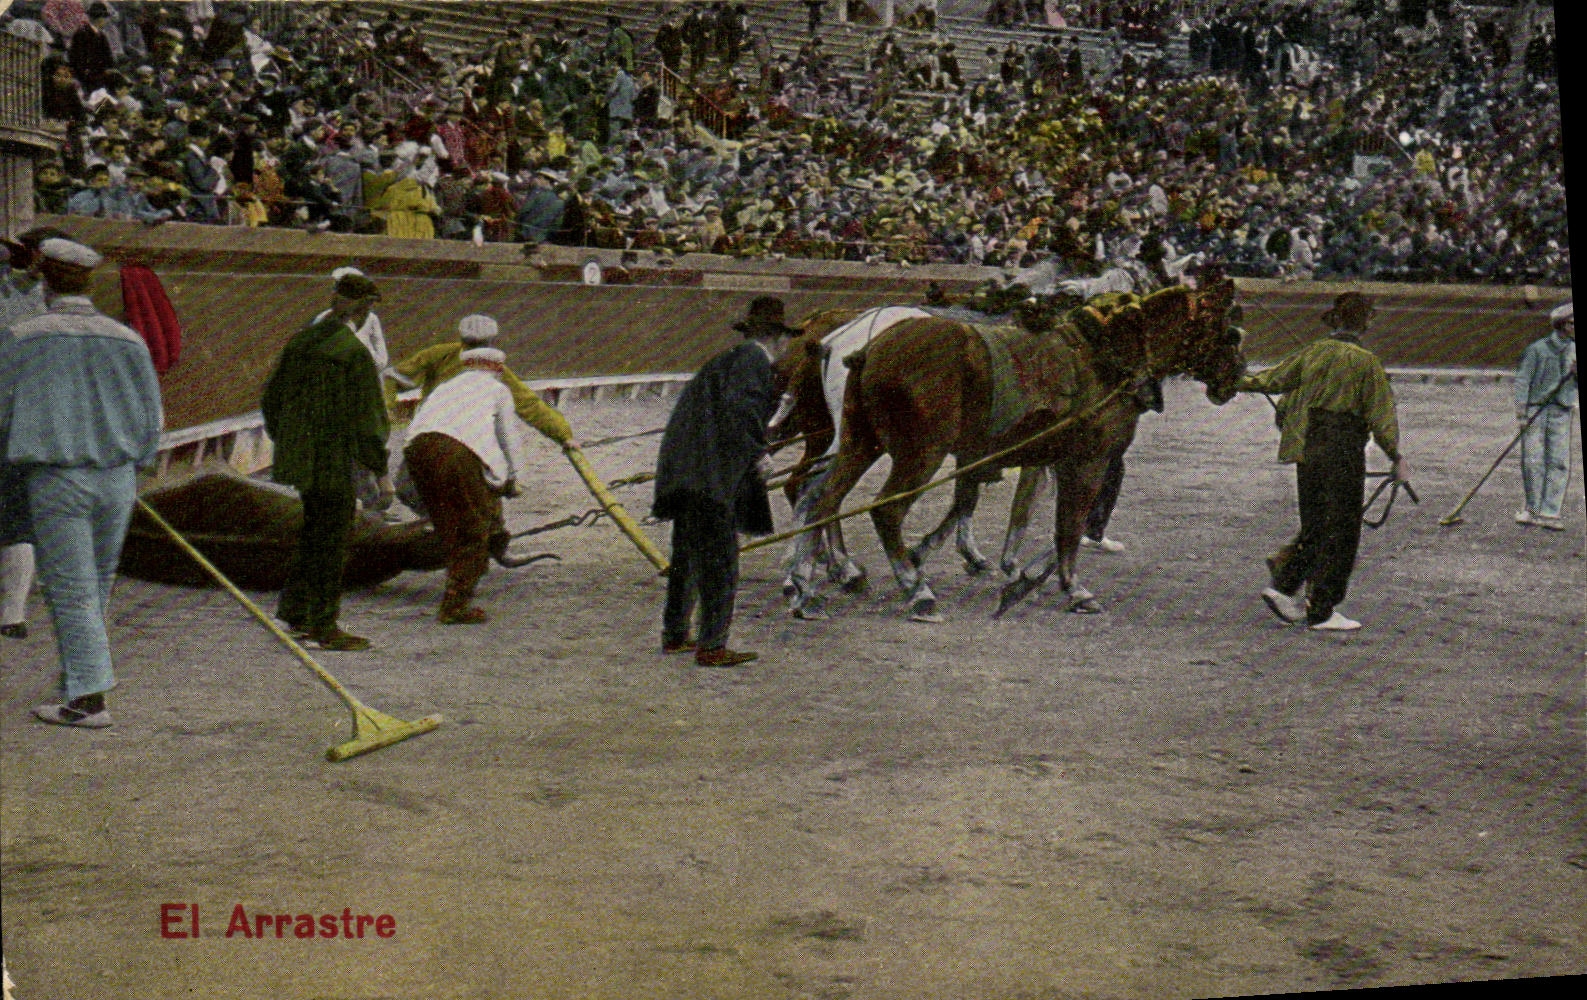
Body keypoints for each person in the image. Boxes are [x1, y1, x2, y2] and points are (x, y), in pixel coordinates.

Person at [1, 238, 163, 727]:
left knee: (71, 591)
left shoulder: (24, 335)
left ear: (45, 280)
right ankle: (81, 679)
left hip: (58, 476)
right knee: (96, 584)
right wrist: (138, 462)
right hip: (118, 477)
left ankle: (87, 700)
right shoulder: (127, 338)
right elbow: (152, 417)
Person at [1240, 291, 1406, 632]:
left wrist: (1231, 380)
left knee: (1316, 523)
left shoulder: (1313, 352)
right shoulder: (1366, 362)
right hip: (1344, 446)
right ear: (1366, 322)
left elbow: (1269, 380)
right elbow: (1382, 418)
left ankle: (1284, 588)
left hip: (1308, 443)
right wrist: (1397, 457)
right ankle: (1322, 610)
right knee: (1343, 528)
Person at [653, 296, 797, 667]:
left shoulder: (727, 361)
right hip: (713, 479)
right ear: (778, 338)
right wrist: (758, 454)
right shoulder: (753, 361)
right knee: (720, 560)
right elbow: (741, 408)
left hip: (688, 472)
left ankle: (675, 635)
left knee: (687, 556)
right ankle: (713, 645)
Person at [260, 272, 392, 651]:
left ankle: (295, 611)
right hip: (334, 459)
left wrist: (288, 442)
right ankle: (323, 625)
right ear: (366, 308)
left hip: (300, 456)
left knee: (314, 531)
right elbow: (369, 423)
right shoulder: (355, 353)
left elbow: (271, 400)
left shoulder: (300, 342)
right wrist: (379, 474)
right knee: (333, 540)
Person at [402, 322, 534, 624]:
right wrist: (515, 480)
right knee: (474, 530)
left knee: (447, 522)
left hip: (417, 449)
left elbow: (419, 426)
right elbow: (508, 439)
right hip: (456, 452)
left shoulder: (446, 387)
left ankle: (461, 577)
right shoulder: (498, 390)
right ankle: (455, 605)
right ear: (497, 368)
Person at [1, 233, 61, 643]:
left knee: (16, 519)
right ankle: (13, 613)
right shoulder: (32, 306)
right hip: (20, 423)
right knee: (17, 519)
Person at [1514, 302, 1577, 529]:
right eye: (1571, 323)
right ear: (1561, 325)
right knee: (1532, 459)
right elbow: (1522, 381)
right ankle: (1532, 508)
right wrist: (1521, 413)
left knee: (1559, 461)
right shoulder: (1537, 349)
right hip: (1535, 410)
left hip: (1561, 410)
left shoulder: (1573, 350)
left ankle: (1551, 512)